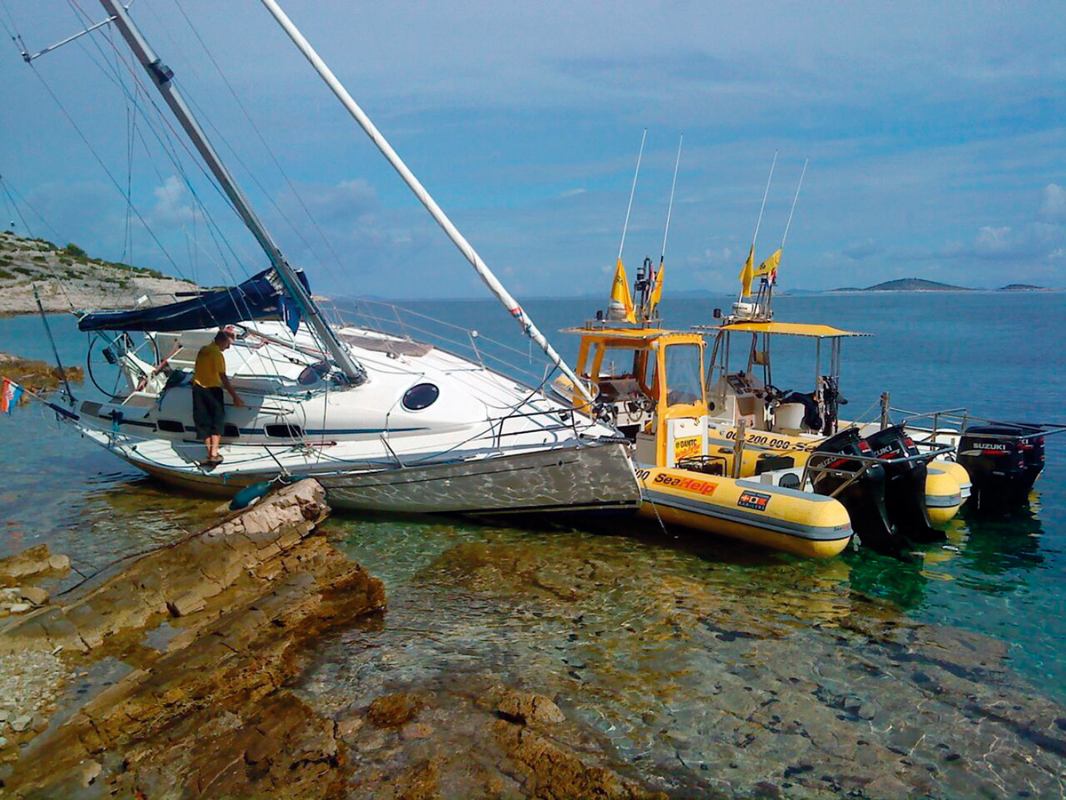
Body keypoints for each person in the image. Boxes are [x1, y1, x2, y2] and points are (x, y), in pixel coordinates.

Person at [192, 329, 244, 465]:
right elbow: (223, 378)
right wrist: (235, 397)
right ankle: (214, 454)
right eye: (228, 344)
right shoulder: (217, 354)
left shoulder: (203, 350)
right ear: (223, 340)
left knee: (203, 420)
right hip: (212, 390)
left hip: (198, 389)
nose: (228, 347)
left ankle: (210, 452)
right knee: (217, 420)